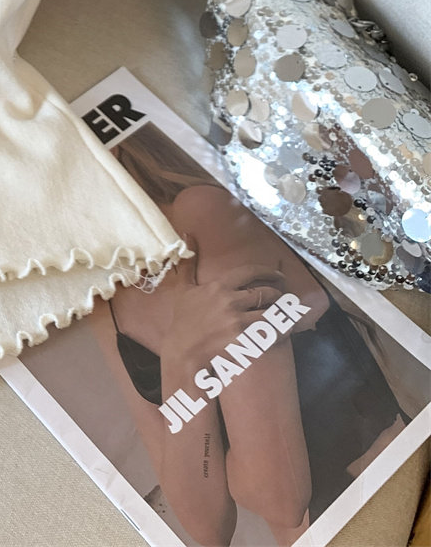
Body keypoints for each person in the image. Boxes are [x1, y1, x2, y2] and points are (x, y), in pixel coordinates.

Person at [88, 123, 408, 547]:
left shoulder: (201, 216)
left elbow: (280, 498)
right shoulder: (102, 300)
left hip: (393, 500)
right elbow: (206, 527)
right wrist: (182, 360)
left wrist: (203, 453)